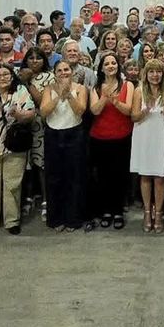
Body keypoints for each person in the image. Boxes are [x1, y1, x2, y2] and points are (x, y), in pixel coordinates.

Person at [0, 63, 35, 236]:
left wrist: (18, 114)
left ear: (12, 77)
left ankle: (12, 220)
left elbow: (31, 114)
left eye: (6, 74)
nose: (2, 77)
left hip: (15, 145)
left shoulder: (20, 91)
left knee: (13, 185)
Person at [40, 60, 88, 231]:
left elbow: (80, 110)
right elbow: (44, 112)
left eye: (66, 69)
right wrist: (58, 96)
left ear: (71, 71)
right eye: (59, 70)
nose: (63, 73)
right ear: (55, 73)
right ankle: (56, 218)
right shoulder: (48, 89)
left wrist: (68, 95)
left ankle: (73, 218)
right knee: (54, 178)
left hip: (74, 135)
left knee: (74, 178)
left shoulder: (80, 88)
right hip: (53, 135)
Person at [88, 52, 134, 230]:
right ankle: (106, 211)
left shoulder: (127, 85)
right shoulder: (95, 88)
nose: (110, 66)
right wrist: (104, 97)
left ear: (118, 66)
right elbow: (95, 111)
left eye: (113, 63)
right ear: (101, 68)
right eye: (106, 64)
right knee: (102, 176)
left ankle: (118, 211)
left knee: (119, 176)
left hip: (122, 137)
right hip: (99, 138)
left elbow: (128, 110)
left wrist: (115, 101)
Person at [130, 59, 164, 233]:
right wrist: (144, 111)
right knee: (145, 176)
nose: (155, 75)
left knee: (160, 177)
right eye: (151, 72)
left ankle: (158, 213)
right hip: (144, 136)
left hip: (163, 136)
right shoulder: (139, 90)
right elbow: (133, 117)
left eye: (158, 72)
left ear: (163, 74)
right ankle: (147, 212)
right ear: (146, 74)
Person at [17, 48, 54, 221]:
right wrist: (21, 79)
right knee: (26, 164)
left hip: (41, 125)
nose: (34, 61)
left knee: (41, 163)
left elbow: (41, 102)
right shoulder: (18, 75)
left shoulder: (49, 77)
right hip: (21, 125)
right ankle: (28, 196)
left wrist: (28, 82)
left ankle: (46, 199)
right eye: (30, 58)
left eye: (38, 58)